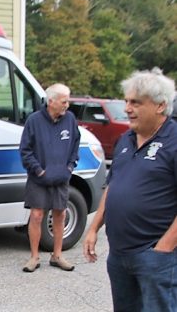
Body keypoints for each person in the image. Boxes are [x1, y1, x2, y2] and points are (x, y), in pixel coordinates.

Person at [83, 68, 177, 311]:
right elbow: (113, 186)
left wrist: (164, 248)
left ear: (160, 106)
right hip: (119, 254)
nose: (127, 108)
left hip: (155, 255)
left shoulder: (174, 140)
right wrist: (93, 228)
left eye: (135, 102)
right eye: (126, 101)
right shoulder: (125, 139)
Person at [20, 83, 80, 272]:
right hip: (39, 179)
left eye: (67, 101)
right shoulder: (34, 121)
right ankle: (34, 257)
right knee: (36, 216)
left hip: (61, 178)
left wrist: (69, 167)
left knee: (60, 214)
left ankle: (57, 256)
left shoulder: (70, 120)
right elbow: (25, 150)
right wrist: (38, 171)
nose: (67, 105)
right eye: (64, 101)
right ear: (51, 101)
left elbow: (75, 144)